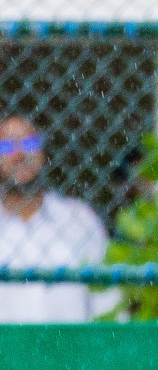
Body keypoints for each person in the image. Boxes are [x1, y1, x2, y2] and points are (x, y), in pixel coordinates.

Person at [0, 115, 115, 323]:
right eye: (7, 146)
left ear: (43, 152)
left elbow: (107, 301)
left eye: (29, 143)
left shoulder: (78, 219)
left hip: (71, 350)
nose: (19, 154)